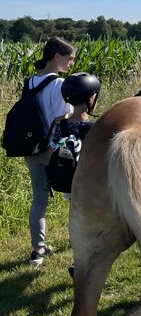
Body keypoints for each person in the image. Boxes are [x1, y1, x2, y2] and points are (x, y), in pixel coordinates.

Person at [25, 37, 76, 266]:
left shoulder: (30, 81)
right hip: (54, 149)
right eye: (69, 59)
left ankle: (38, 250)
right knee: (75, 195)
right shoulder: (59, 85)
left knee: (39, 199)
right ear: (56, 56)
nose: (71, 64)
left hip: (31, 147)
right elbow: (62, 116)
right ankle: (79, 243)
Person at [48, 72, 101, 277]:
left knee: (77, 220)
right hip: (91, 184)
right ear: (91, 98)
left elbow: (52, 149)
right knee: (94, 222)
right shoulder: (95, 127)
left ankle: (79, 257)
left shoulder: (60, 124)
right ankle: (83, 260)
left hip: (69, 183)